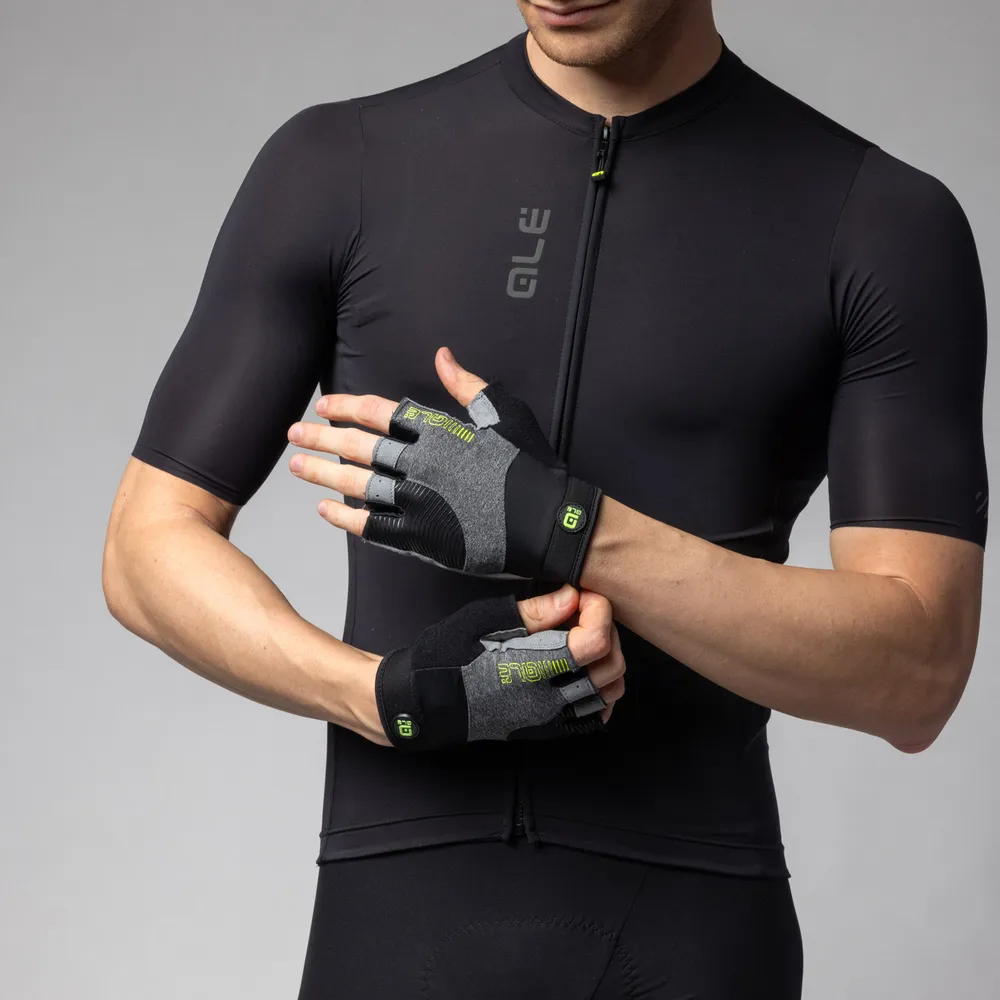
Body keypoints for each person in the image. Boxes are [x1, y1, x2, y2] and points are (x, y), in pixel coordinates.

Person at [104, 0, 988, 996]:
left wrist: (567, 526)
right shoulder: (340, 166)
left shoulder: (877, 220)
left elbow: (916, 672)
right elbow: (144, 550)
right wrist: (381, 699)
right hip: (390, 930)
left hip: (691, 936)